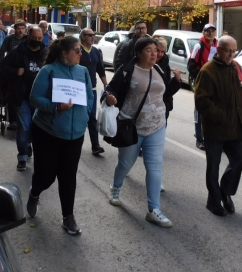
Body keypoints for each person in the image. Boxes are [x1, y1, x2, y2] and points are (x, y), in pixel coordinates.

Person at [103, 37, 173, 228]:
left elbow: (164, 94)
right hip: (131, 127)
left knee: (155, 166)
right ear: (139, 53)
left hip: (157, 126)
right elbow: (110, 89)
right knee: (126, 163)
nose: (154, 54)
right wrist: (109, 98)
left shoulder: (158, 69)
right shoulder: (127, 70)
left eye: (156, 50)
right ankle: (115, 188)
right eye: (149, 50)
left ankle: (154, 209)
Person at [27, 36, 93, 236]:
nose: (81, 54)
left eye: (80, 50)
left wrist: (86, 113)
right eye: (77, 50)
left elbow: (89, 96)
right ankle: (35, 192)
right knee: (46, 175)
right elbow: (34, 98)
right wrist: (56, 107)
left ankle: (68, 217)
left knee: (68, 176)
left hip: (75, 135)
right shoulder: (48, 71)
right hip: (48, 131)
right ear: (65, 53)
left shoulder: (83, 71)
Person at [194, 35, 242, 217]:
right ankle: (214, 201)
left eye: (234, 51)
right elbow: (202, 101)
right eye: (228, 51)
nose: (231, 55)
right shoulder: (208, 71)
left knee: (239, 160)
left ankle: (225, 192)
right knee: (213, 166)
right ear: (219, 50)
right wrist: (221, 116)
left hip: (236, 126)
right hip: (216, 128)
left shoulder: (235, 66)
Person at [2, 26, 48, 171]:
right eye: (34, 38)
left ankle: (28, 145)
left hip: (40, 98)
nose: (37, 41)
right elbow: (3, 66)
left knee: (37, 128)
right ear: (28, 37)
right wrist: (16, 71)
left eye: (39, 39)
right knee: (23, 128)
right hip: (21, 97)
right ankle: (22, 156)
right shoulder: (18, 51)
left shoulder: (46, 54)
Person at [189, 23, 219, 150]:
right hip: (202, 83)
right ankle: (199, 138)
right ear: (203, 33)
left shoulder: (218, 46)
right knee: (200, 110)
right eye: (207, 31)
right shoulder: (198, 46)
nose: (210, 33)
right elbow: (191, 65)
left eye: (212, 31)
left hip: (215, 83)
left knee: (214, 109)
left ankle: (212, 137)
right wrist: (200, 77)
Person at [78, 27, 108, 156]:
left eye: (93, 34)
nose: (92, 37)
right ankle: (75, 144)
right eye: (89, 35)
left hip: (92, 90)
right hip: (78, 89)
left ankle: (95, 145)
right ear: (83, 36)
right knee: (79, 117)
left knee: (91, 117)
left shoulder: (95, 51)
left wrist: (106, 85)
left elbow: (100, 69)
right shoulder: (77, 50)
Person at [152, 35, 182, 121]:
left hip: (162, 109)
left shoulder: (165, 65)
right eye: (157, 51)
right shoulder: (145, 64)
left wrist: (176, 80)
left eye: (163, 51)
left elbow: (167, 91)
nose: (160, 54)